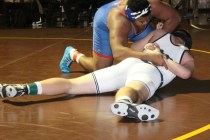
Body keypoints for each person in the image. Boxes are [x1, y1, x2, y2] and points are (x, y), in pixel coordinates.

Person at [0, 29, 194, 122]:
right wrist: (161, 58)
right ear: (186, 42)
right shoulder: (185, 52)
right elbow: (185, 74)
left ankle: (22, 88)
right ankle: (125, 102)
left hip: (128, 64)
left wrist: (150, 50)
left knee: (73, 85)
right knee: (135, 89)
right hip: (150, 71)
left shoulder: (158, 34)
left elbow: (131, 49)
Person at [59, 0, 181, 73]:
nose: (145, 24)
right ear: (130, 18)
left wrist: (160, 35)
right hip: (104, 23)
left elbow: (175, 17)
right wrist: (150, 56)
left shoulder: (152, 5)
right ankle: (73, 54)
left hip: (130, 22)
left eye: (148, 19)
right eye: (141, 22)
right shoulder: (118, 20)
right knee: (100, 69)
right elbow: (118, 53)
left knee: (155, 47)